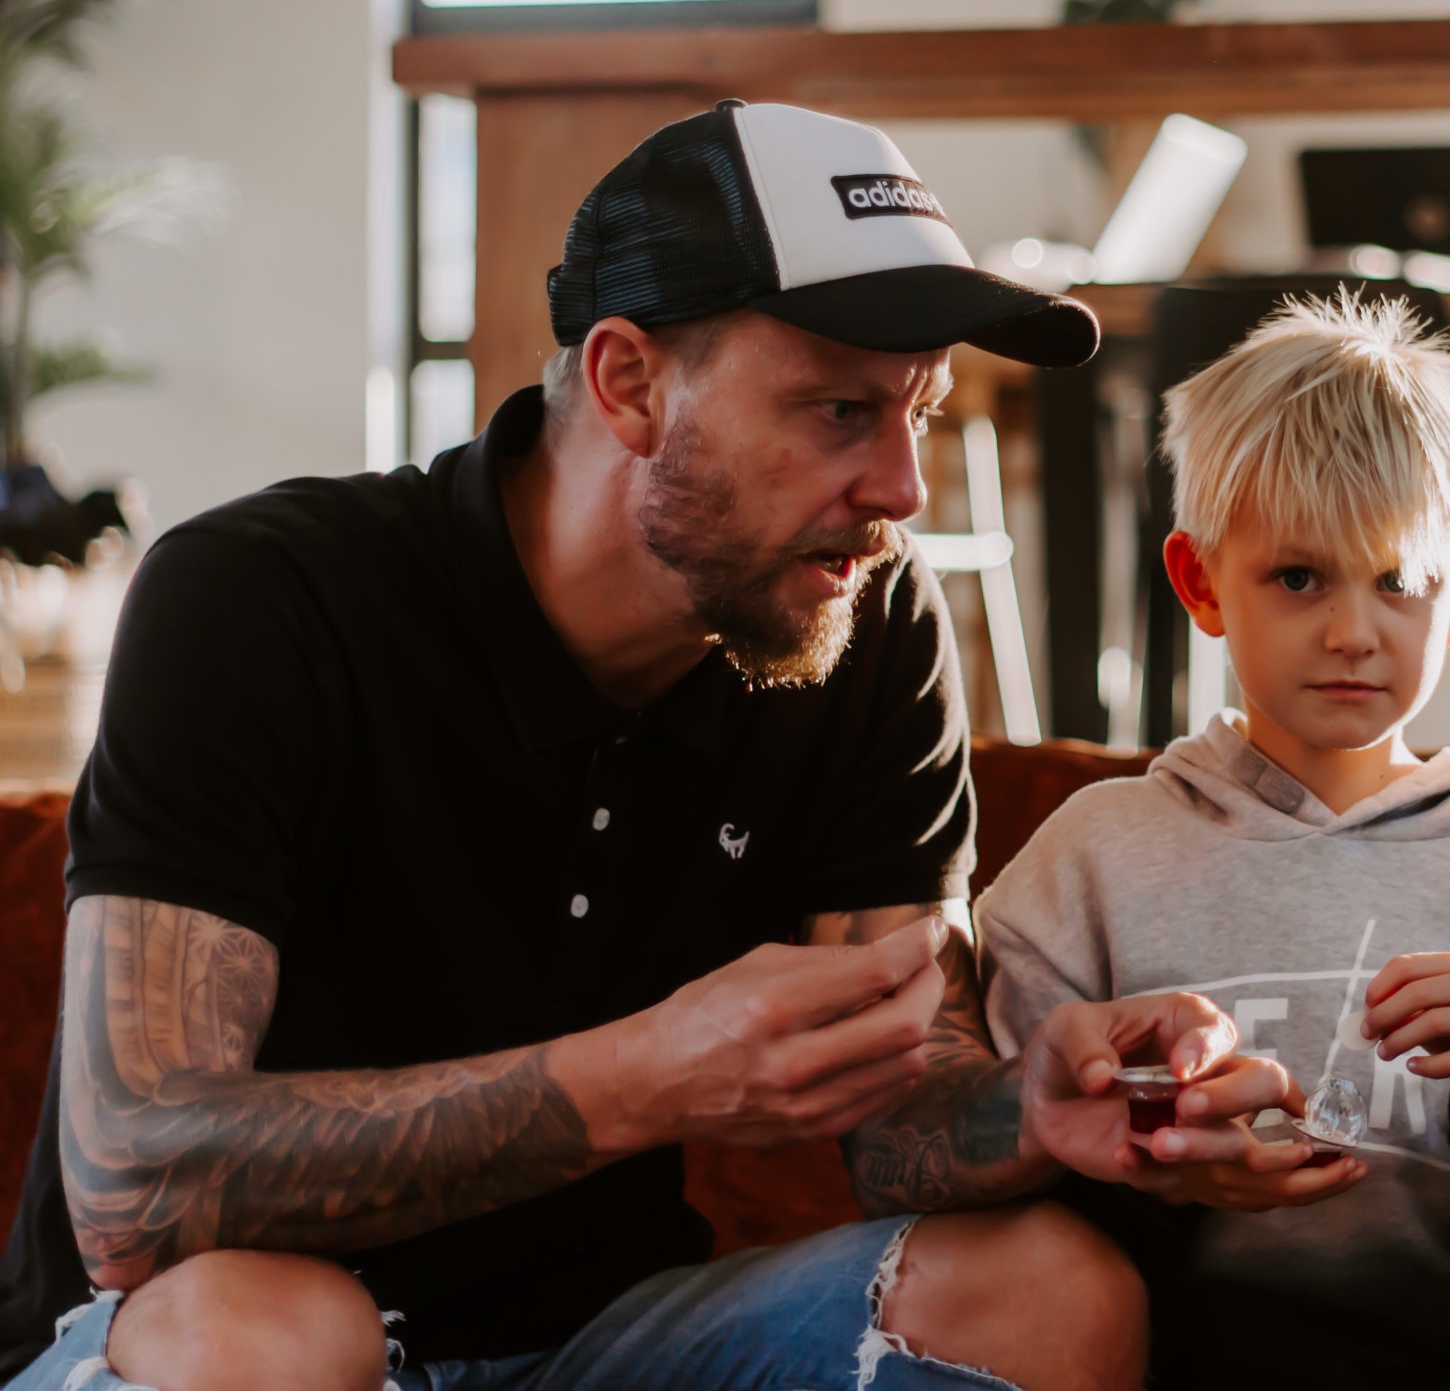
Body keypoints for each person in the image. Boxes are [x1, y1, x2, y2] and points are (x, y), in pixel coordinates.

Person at [0, 102, 1310, 1391]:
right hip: (203, 1332)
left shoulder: (861, 613)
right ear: (630, 380)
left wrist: (1029, 1109)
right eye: (840, 410)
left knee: (1048, 1288)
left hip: (607, 1334)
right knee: (267, 1332)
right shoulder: (262, 595)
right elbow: (134, 1179)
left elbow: (903, 1105)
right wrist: (650, 1072)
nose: (904, 486)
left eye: (920, 408)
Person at [975, 294, 1450, 1390]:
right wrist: (1156, 1160)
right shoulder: (1091, 860)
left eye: (1398, 582)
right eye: (1300, 577)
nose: (1353, 631)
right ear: (1201, 582)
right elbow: (999, 1202)